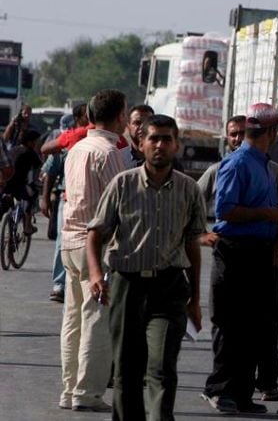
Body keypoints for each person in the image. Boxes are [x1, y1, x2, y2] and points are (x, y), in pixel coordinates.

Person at [86, 115, 209, 421]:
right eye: (153, 139)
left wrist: (194, 300)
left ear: (176, 145)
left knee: (162, 367)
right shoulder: (122, 185)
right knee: (127, 368)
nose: (159, 145)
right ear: (140, 144)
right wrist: (96, 275)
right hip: (127, 286)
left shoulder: (189, 190)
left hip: (169, 288)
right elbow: (96, 233)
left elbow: (193, 245)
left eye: (167, 139)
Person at [202, 103, 278, 415]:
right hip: (236, 250)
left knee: (256, 325)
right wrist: (266, 213)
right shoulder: (237, 163)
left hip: (260, 253)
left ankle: (241, 392)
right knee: (230, 323)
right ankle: (220, 389)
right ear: (271, 132)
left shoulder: (266, 165)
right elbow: (225, 209)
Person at [59, 89, 128, 412]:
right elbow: (122, 204)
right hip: (96, 246)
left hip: (70, 240)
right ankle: (86, 393)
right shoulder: (108, 151)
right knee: (96, 321)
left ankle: (69, 389)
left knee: (73, 319)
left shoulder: (77, 148)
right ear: (119, 117)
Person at [42, 114, 75, 303]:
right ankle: (60, 283)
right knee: (63, 241)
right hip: (67, 197)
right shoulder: (66, 140)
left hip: (94, 199)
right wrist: (45, 199)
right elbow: (50, 171)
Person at [197, 115, 246, 221]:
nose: (238, 139)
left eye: (243, 133)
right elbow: (192, 202)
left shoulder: (266, 168)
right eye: (233, 134)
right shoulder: (215, 171)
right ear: (227, 138)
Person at [5, 128, 43, 235]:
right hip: (18, 185)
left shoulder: (13, 149)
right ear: (30, 142)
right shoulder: (30, 153)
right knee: (32, 195)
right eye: (36, 142)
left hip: (5, 183)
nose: (37, 145)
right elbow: (39, 169)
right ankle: (27, 225)